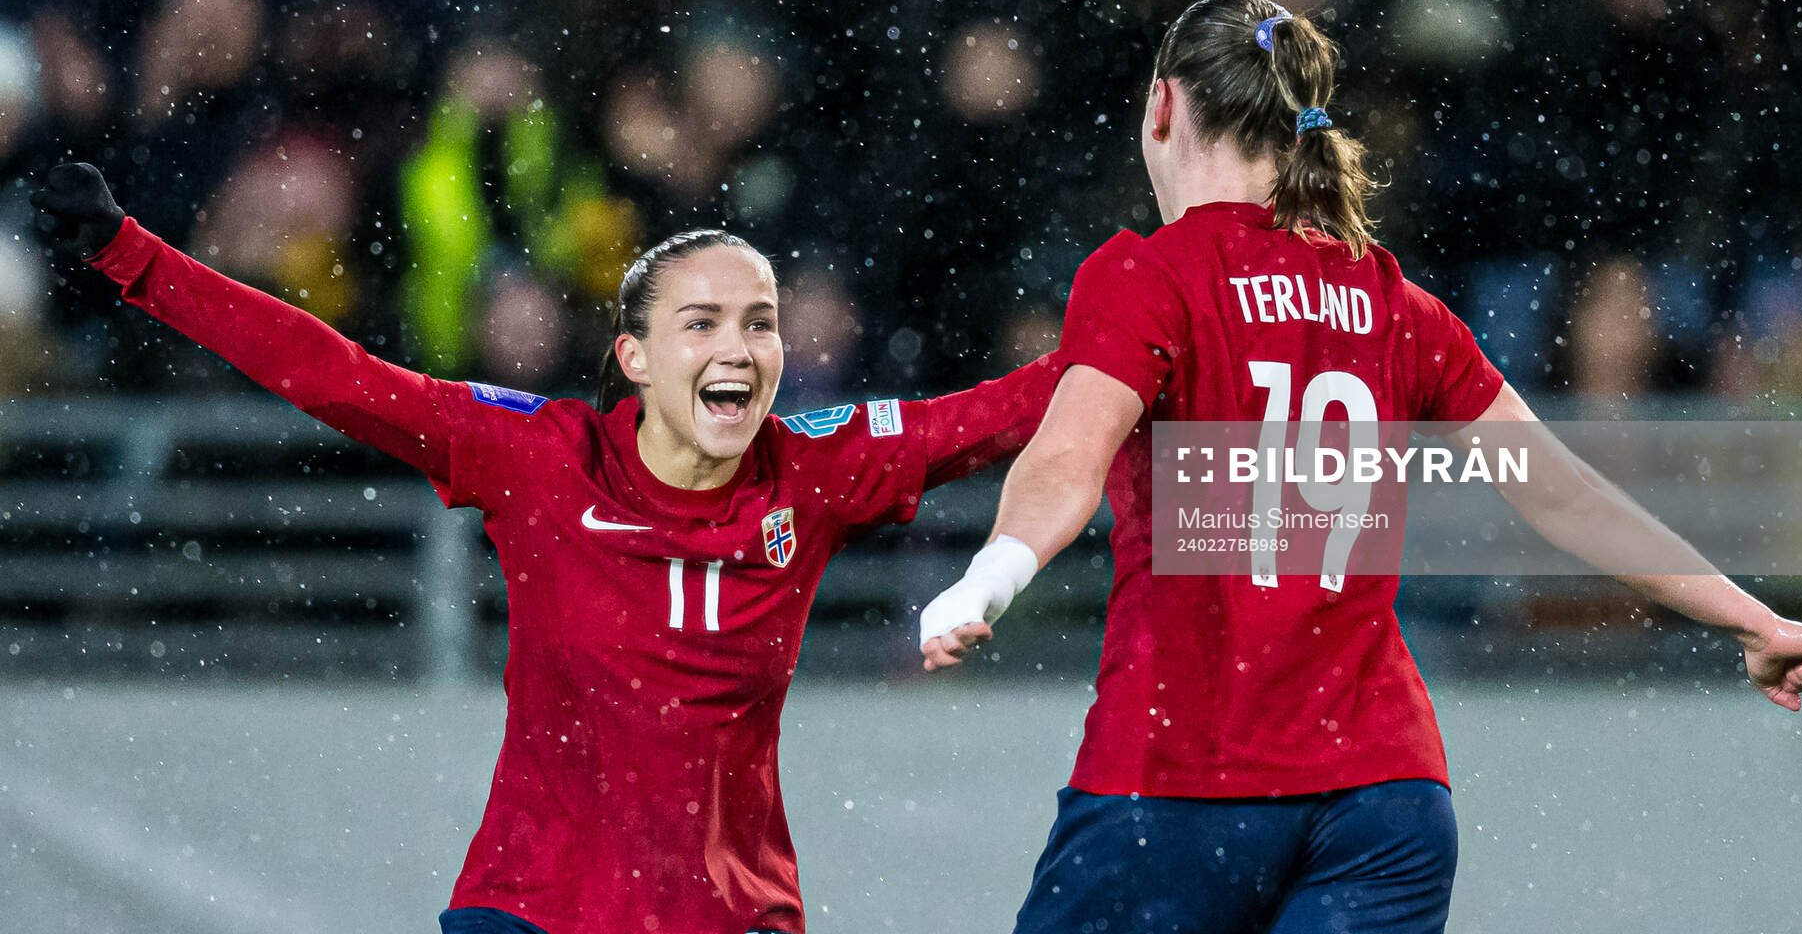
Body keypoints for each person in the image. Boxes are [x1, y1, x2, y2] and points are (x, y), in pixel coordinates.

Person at [915, 0, 1802, 933]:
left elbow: (1068, 455)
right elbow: (1560, 492)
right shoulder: (1396, 303)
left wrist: (989, 578)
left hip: (1180, 779)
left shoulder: (1148, 276)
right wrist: (1752, 617)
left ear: (1161, 107)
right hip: (1384, 799)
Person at [31, 161, 1061, 934]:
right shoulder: (542, 456)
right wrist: (134, 257)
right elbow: (331, 371)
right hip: (532, 908)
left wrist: (1175, 314)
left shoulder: (816, 469)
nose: (739, 347)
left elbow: (1013, 408)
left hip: (732, 912)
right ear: (636, 358)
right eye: (701, 323)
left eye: (760, 323)